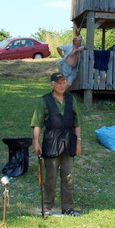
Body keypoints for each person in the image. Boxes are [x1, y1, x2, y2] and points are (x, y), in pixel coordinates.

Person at [31, 72, 83, 217]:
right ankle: (47, 206)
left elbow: (77, 122)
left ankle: (68, 207)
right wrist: (36, 142)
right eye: (59, 83)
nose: (62, 85)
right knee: (51, 176)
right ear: (52, 85)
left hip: (69, 140)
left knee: (68, 176)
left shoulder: (71, 99)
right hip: (51, 141)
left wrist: (79, 141)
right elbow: (37, 123)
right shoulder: (44, 100)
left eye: (64, 82)